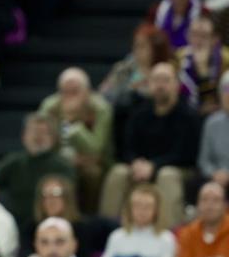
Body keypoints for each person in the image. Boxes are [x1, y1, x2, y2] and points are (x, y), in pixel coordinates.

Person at [100, 62, 200, 229]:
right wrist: (136, 163)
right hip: (143, 167)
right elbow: (127, 148)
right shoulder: (139, 113)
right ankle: (107, 232)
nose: (160, 85)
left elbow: (186, 154)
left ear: (176, 84)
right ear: (149, 84)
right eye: (156, 80)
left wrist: (154, 166)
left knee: (167, 175)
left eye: (165, 80)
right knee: (118, 173)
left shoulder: (188, 115)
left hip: (178, 169)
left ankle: (168, 234)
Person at [38, 67, 113, 213]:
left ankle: (88, 216)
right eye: (65, 92)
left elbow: (96, 147)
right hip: (58, 159)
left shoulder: (100, 108)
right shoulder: (50, 107)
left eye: (75, 91)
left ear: (87, 92)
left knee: (92, 173)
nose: (70, 97)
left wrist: (74, 127)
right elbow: (43, 142)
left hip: (94, 162)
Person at [0, 113, 74, 235]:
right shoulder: (14, 163)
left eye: (43, 132)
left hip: (53, 226)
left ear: (53, 138)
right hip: (16, 226)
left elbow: (69, 201)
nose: (38, 136)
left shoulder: (63, 167)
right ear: (23, 136)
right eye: (34, 131)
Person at [100, 183, 176, 257]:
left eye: (148, 207)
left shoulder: (166, 239)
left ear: (157, 210)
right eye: (137, 206)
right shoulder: (117, 236)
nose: (142, 211)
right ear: (129, 209)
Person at [178, 16, 228, 114]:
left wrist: (203, 71)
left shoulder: (226, 61)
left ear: (215, 39)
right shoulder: (178, 58)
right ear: (188, 35)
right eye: (194, 35)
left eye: (204, 36)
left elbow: (215, 102)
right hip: (185, 114)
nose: (198, 41)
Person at [199, 75, 229, 190]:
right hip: (216, 178)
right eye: (226, 90)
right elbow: (203, 160)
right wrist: (214, 173)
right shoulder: (211, 123)